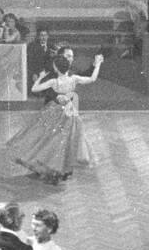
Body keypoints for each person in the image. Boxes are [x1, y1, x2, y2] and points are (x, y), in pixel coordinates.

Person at [9, 54, 103, 184]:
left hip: (55, 112)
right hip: (71, 113)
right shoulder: (74, 79)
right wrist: (97, 64)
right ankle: (61, 171)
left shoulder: (54, 82)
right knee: (65, 142)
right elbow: (92, 78)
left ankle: (52, 170)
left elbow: (34, 89)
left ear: (56, 68)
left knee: (50, 141)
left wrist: (40, 77)